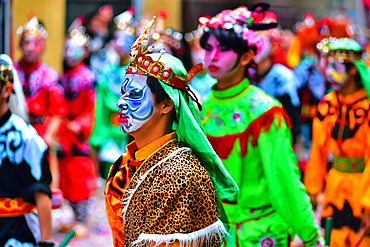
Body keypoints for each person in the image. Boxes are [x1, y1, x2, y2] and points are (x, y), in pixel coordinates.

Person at [198, 5, 325, 246]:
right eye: (208, 48)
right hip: (212, 233)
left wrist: (310, 235)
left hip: (259, 233)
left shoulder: (265, 111)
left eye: (223, 49)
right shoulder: (199, 110)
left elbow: (283, 179)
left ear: (247, 56)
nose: (212, 57)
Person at [105, 18, 238, 246]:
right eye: (123, 92)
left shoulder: (180, 174)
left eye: (135, 95)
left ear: (167, 104)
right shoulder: (126, 163)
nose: (121, 103)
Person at [304, 38, 370, 247]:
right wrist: (312, 190)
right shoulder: (327, 104)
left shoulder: (367, 106)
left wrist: (368, 204)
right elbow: (318, 149)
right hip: (334, 186)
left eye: (336, 67)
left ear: (353, 70)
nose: (329, 72)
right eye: (327, 66)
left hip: (364, 185)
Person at [0, 54, 54, 247]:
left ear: (7, 90)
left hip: (16, 232)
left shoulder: (25, 136)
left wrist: (46, 242)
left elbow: (41, 192)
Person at [58, 17, 96, 236]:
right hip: (65, 131)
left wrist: (80, 124)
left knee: (80, 176)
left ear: (85, 52)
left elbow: (91, 108)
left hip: (79, 133)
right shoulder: (62, 76)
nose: (71, 53)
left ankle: (82, 218)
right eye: (68, 48)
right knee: (64, 175)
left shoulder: (88, 76)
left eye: (76, 49)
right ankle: (71, 218)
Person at [90, 7, 135, 178]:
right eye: (117, 37)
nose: (119, 42)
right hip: (111, 131)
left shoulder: (139, 71)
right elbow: (101, 105)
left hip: (133, 133)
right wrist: (97, 137)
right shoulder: (107, 70)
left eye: (125, 37)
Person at [13, 14, 67, 147]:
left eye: (36, 43)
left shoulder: (50, 75)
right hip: (12, 131)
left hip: (38, 135)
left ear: (44, 46)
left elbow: (57, 113)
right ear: (19, 44)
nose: (31, 48)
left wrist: (49, 135)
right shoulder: (11, 71)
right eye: (26, 42)